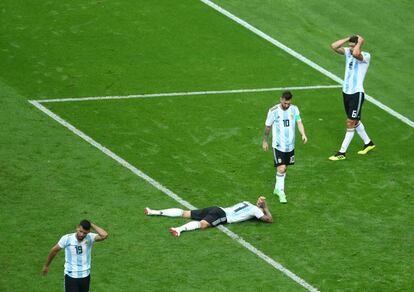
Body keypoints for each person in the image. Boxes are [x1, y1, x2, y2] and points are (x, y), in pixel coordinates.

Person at [329, 35, 375, 161]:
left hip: (356, 93)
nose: (349, 48)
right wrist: (348, 38)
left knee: (350, 122)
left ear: (358, 45)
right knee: (355, 121)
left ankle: (342, 152)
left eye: (352, 45)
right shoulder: (349, 52)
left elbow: (356, 54)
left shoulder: (365, 56)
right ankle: (368, 143)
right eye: (349, 45)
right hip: (346, 92)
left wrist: (359, 43)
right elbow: (334, 46)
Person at [144, 196, 273, 237]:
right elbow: (269, 220)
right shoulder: (257, 211)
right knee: (203, 225)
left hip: (216, 208)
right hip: (222, 215)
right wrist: (265, 207)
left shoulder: (247, 203)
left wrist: (260, 205)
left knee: (186, 213)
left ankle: (153, 211)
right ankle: (179, 229)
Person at [262, 91, 307, 203]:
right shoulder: (273, 111)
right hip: (278, 145)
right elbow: (268, 127)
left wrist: (303, 134)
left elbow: (299, 122)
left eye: (288, 103)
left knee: (285, 168)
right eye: (285, 103)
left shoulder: (294, 109)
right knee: (281, 168)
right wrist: (265, 141)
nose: (286, 105)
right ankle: (281, 192)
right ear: (281, 99)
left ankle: (277, 189)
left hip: (290, 145)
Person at [42, 220, 109, 292]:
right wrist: (46, 265)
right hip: (71, 276)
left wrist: (91, 224)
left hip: (85, 275)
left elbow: (104, 235)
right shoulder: (67, 238)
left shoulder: (90, 237)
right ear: (77, 228)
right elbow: (54, 251)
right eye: (80, 231)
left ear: (88, 232)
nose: (81, 234)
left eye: (84, 233)